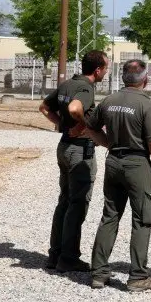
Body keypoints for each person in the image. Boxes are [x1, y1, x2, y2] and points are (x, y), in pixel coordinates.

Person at [82, 59, 151, 292]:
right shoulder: (146, 105)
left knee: (110, 216)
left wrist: (107, 143)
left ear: (122, 78)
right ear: (145, 79)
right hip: (137, 164)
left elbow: (90, 127)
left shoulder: (109, 101)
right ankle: (138, 276)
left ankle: (98, 272)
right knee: (142, 219)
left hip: (114, 162)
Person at [39, 50, 109, 273]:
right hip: (79, 152)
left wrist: (62, 126)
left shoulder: (67, 84)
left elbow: (44, 107)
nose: (106, 73)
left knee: (64, 201)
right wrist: (85, 127)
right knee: (77, 205)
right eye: (105, 68)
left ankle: (55, 255)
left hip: (64, 147)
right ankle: (69, 258)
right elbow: (74, 108)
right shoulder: (85, 88)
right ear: (97, 70)